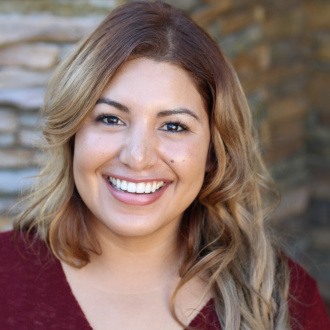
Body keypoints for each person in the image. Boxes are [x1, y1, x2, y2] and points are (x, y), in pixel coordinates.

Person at [0, 1, 329, 329]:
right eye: (111, 119)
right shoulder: (6, 278)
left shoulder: (283, 302)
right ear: (73, 135)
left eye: (174, 126)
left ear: (214, 152)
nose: (138, 157)